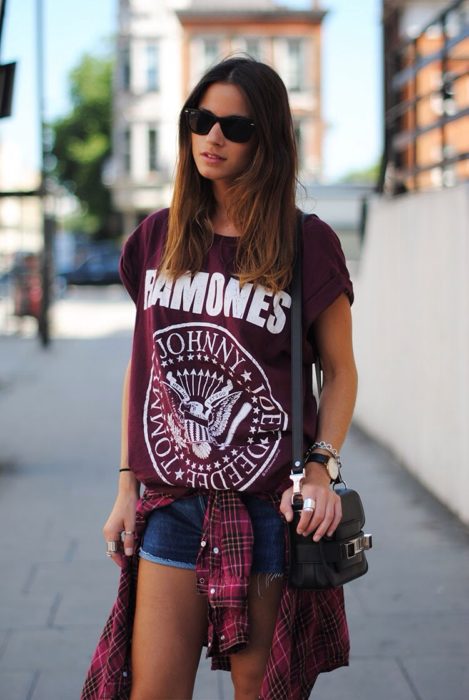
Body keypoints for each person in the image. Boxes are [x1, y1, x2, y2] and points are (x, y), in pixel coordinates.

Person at [81, 56, 357, 700]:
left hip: (267, 510)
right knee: (152, 690)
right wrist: (127, 487)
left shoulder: (306, 243)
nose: (213, 138)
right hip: (171, 504)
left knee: (259, 692)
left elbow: (340, 371)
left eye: (236, 127)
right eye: (201, 120)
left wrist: (322, 470)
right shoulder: (156, 236)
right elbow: (144, 367)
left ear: (269, 141)